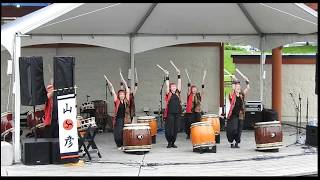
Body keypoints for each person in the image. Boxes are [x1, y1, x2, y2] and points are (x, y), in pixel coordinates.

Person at [105, 71, 131, 150]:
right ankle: (119, 145)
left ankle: (124, 144)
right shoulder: (117, 101)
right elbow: (112, 90)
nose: (122, 95)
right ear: (119, 95)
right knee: (118, 133)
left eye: (123, 94)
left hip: (126, 119)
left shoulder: (126, 100)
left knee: (125, 133)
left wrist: (123, 79)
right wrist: (108, 81)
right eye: (120, 94)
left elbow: (127, 89)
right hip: (118, 119)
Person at [226, 78, 250, 148]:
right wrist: (234, 83)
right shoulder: (232, 95)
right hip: (233, 115)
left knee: (239, 130)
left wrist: (247, 82)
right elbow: (232, 90)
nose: (238, 88)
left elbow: (248, 88)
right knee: (234, 129)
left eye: (239, 87)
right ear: (234, 88)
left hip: (240, 114)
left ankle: (236, 142)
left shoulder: (241, 95)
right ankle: (232, 142)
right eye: (237, 87)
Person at [163, 67, 182, 148]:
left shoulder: (177, 93)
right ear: (170, 88)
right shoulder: (168, 93)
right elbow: (167, 85)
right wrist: (167, 76)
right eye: (172, 86)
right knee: (169, 129)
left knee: (175, 128)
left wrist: (179, 74)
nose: (174, 87)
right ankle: (169, 142)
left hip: (177, 113)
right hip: (170, 113)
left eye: (175, 86)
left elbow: (180, 84)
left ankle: (173, 142)